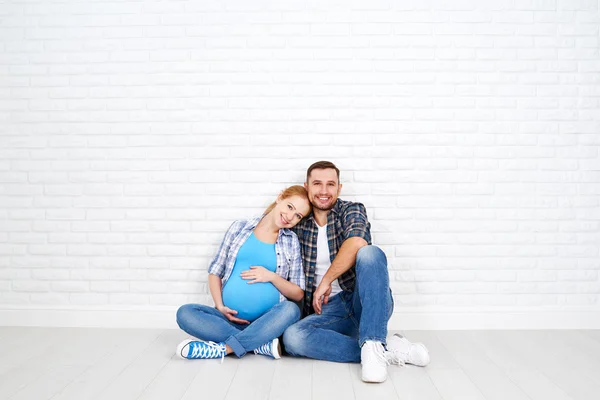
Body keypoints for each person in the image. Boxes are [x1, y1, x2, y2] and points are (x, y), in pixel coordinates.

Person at [282, 161, 430, 383]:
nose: (324, 191)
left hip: (364, 301)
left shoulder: (351, 209)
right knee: (292, 338)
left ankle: (372, 343)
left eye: (330, 184)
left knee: (370, 253)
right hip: (326, 313)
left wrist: (327, 280)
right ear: (307, 186)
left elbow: (357, 241)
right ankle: (383, 349)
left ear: (339, 188)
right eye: (317, 184)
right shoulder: (299, 222)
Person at [175, 185, 311, 361]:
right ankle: (259, 344)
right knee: (185, 313)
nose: (290, 216)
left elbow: (298, 293)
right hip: (228, 319)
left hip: (269, 322)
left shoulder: (291, 242)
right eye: (290, 207)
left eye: (298, 216)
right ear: (280, 198)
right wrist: (220, 306)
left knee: (291, 309)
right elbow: (215, 271)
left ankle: (225, 348)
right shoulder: (240, 227)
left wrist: (272, 276)